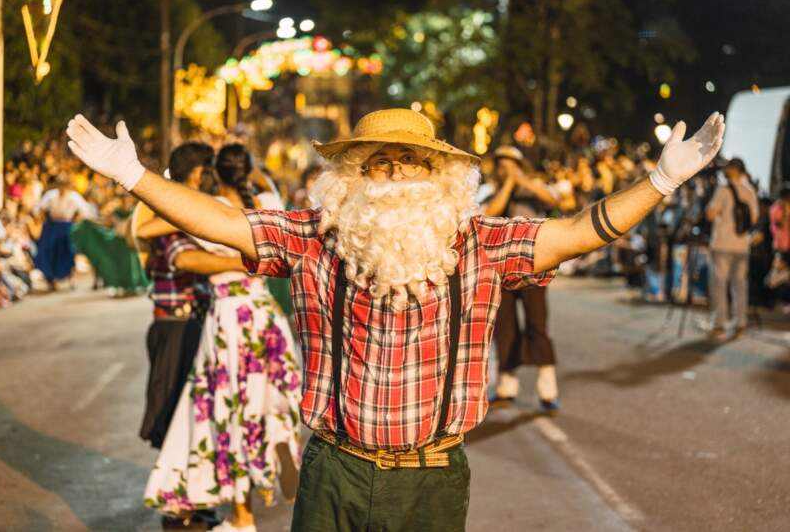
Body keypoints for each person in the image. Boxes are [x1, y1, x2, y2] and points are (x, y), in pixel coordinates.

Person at [67, 109, 724, 531]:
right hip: (333, 472)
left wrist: (662, 180)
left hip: (432, 481)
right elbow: (223, 222)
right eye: (378, 162)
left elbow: (579, 232)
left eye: (411, 162)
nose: (396, 174)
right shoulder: (313, 236)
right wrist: (134, 175)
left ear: (436, 174)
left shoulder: (480, 243)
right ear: (353, 174)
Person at [144, 144, 302, 532]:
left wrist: (185, 204)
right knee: (269, 397)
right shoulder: (267, 201)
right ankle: (281, 455)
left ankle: (242, 516)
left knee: (230, 407)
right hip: (264, 314)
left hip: (229, 318)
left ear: (214, 172)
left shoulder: (211, 207)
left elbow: (144, 229)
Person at [136, 143, 240, 531]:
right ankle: (178, 507)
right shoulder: (171, 209)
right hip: (175, 327)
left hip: (189, 324)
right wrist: (241, 261)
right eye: (205, 171)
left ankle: (192, 501)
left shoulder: (186, 208)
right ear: (195, 174)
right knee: (174, 414)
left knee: (194, 414)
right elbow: (185, 259)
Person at [484, 146, 559, 412]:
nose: (506, 170)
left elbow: (552, 200)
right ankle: (507, 386)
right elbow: (489, 213)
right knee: (504, 328)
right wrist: (507, 185)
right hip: (501, 270)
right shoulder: (493, 190)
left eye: (511, 165)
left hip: (534, 265)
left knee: (537, 323)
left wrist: (522, 180)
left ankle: (548, 389)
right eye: (501, 166)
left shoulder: (533, 186)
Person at [705, 158, 759, 340]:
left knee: (720, 285)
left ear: (732, 170)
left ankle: (720, 323)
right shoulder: (750, 190)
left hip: (722, 243)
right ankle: (740, 322)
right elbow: (754, 219)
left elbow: (711, 214)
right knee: (740, 285)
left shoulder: (723, 189)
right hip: (742, 245)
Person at [33, 174, 90, 290]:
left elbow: (86, 211)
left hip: (67, 226)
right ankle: (51, 280)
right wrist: (41, 219)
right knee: (49, 251)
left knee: (68, 252)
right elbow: (39, 209)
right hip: (52, 226)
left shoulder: (74, 197)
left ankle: (70, 278)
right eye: (60, 185)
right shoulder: (51, 195)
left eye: (64, 186)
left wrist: (76, 222)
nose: (62, 189)